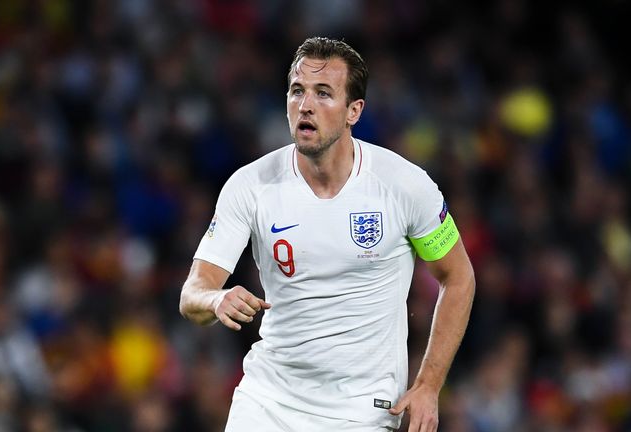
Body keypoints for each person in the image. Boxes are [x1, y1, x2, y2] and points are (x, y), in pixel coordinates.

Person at [179, 37, 475, 432]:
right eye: (297, 91)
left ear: (354, 111)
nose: (306, 105)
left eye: (323, 94)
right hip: (269, 400)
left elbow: (458, 277)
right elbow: (192, 293)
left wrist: (428, 385)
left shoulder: (404, 186)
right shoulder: (250, 186)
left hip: (361, 412)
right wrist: (216, 299)